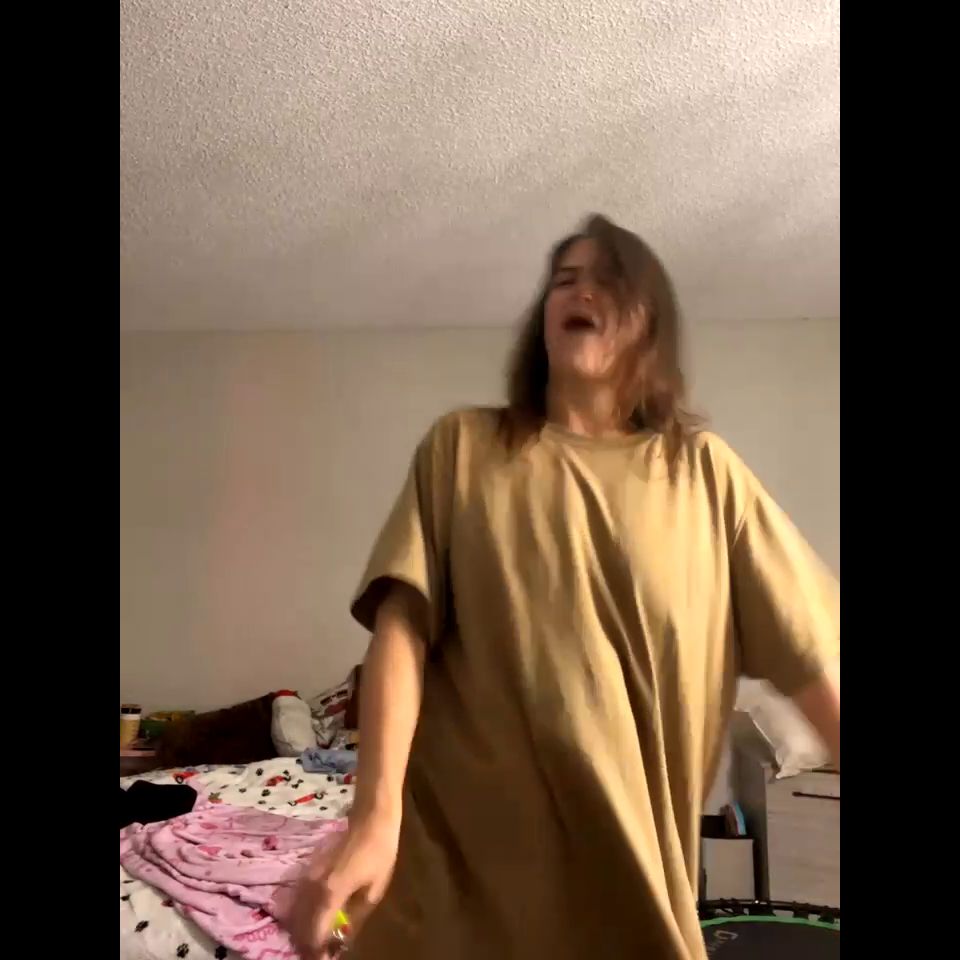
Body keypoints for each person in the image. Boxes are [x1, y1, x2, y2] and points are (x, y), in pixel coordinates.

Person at [287, 214, 841, 960]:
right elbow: (401, 631)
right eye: (564, 280)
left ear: (649, 325)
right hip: (450, 896)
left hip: (629, 902)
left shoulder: (706, 478)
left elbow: (812, 661)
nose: (579, 293)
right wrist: (374, 820)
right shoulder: (463, 449)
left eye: (607, 281)